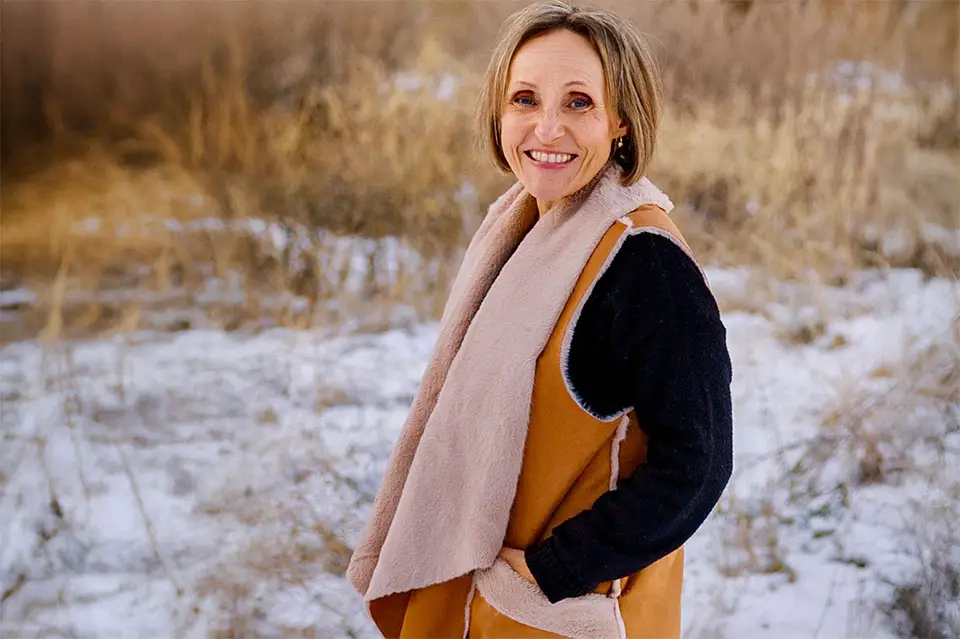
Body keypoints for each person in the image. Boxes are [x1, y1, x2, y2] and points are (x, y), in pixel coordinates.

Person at [346, 1, 733, 637]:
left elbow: (699, 463)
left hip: (560, 614)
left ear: (622, 123)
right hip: (482, 607)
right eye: (524, 99)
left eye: (578, 102)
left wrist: (556, 567)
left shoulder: (645, 265)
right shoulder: (523, 230)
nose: (546, 129)